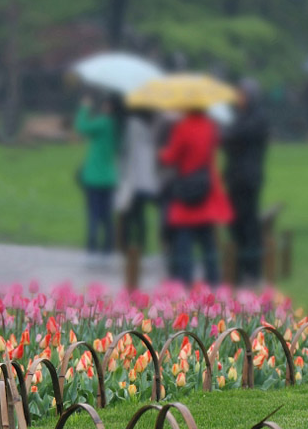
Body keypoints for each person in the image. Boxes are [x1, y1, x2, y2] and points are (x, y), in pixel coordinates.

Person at [158, 108, 233, 285]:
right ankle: (214, 280)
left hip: (186, 191)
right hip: (205, 188)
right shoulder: (210, 127)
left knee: (184, 242)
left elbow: (171, 157)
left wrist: (161, 153)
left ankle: (186, 281)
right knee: (208, 241)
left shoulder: (182, 128)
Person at [221, 78, 269, 286]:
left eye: (242, 94)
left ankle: (252, 269)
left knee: (248, 224)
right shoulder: (241, 117)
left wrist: (225, 135)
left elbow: (235, 136)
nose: (238, 98)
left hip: (247, 178)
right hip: (235, 177)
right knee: (236, 224)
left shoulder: (257, 118)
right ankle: (239, 268)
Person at [114, 109, 162, 289]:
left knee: (129, 217)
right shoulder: (155, 124)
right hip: (146, 179)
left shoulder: (132, 124)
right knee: (139, 218)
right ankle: (139, 251)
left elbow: (126, 151)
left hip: (134, 179)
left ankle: (129, 252)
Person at [75, 94, 120, 264]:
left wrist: (85, 107)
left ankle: (92, 250)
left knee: (93, 215)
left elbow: (81, 126)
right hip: (109, 177)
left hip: (94, 177)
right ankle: (108, 249)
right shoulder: (118, 126)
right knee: (107, 216)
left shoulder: (103, 123)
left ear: (110, 107)